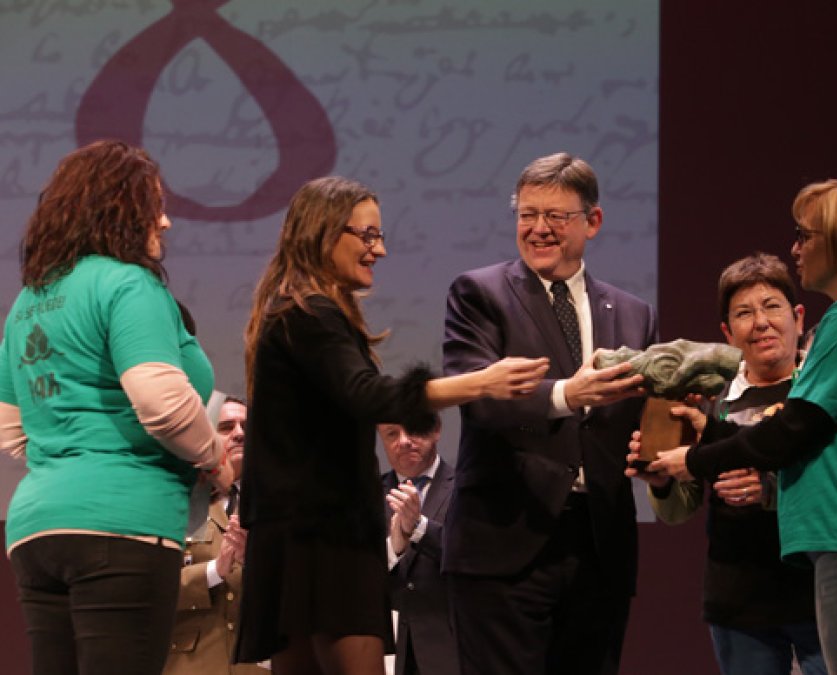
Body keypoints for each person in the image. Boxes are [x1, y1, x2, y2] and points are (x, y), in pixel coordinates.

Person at [232, 176, 548, 675]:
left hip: (297, 538)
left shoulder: (293, 310)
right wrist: (481, 382)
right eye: (368, 235)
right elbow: (368, 394)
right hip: (327, 537)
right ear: (323, 233)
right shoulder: (311, 313)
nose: (379, 249)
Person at [647, 176, 837, 675]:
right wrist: (708, 434)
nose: (796, 248)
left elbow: (793, 431)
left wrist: (695, 458)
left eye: (805, 235)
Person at [0, 139, 231, 674]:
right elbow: (163, 404)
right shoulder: (129, 283)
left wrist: (73, 459)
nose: (166, 222)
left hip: (37, 529)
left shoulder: (28, 302)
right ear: (119, 208)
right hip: (122, 526)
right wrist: (214, 459)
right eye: (155, 205)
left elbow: (11, 429)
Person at [442, 152, 657, 675]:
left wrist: (670, 446)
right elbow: (479, 398)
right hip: (504, 544)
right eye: (527, 214)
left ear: (593, 221)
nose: (539, 229)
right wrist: (565, 394)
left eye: (556, 216)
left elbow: (640, 418)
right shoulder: (479, 293)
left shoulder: (635, 313)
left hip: (599, 549)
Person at [627, 253, 826, 675]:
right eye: (744, 313)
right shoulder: (710, 399)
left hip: (820, 592)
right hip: (739, 603)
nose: (761, 323)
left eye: (771, 307)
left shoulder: (823, 393)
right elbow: (680, 509)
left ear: (798, 317)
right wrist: (661, 481)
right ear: (727, 333)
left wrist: (771, 489)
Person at [165, 395, 266, 674]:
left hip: (257, 664)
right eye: (226, 427)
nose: (240, 434)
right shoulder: (177, 502)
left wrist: (256, 564)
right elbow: (150, 588)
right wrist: (214, 570)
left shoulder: (277, 505)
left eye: (246, 426)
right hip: (192, 664)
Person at [381, 418, 456, 675]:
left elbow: (475, 557)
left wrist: (419, 527)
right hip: (388, 655)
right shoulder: (366, 496)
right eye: (392, 433)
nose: (403, 441)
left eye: (413, 429)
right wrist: (394, 547)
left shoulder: (465, 488)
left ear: (436, 429)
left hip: (451, 650)